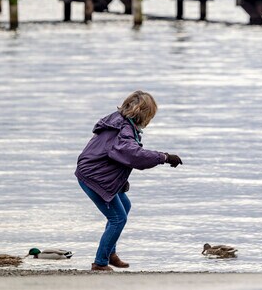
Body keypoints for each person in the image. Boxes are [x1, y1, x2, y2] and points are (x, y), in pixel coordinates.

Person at [75, 90, 183, 271]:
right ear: (144, 114)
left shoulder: (119, 121)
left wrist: (119, 179)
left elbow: (112, 154)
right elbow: (133, 155)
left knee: (124, 206)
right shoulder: (124, 129)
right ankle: (100, 263)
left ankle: (110, 252)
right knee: (118, 218)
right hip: (94, 177)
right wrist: (164, 157)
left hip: (96, 173)